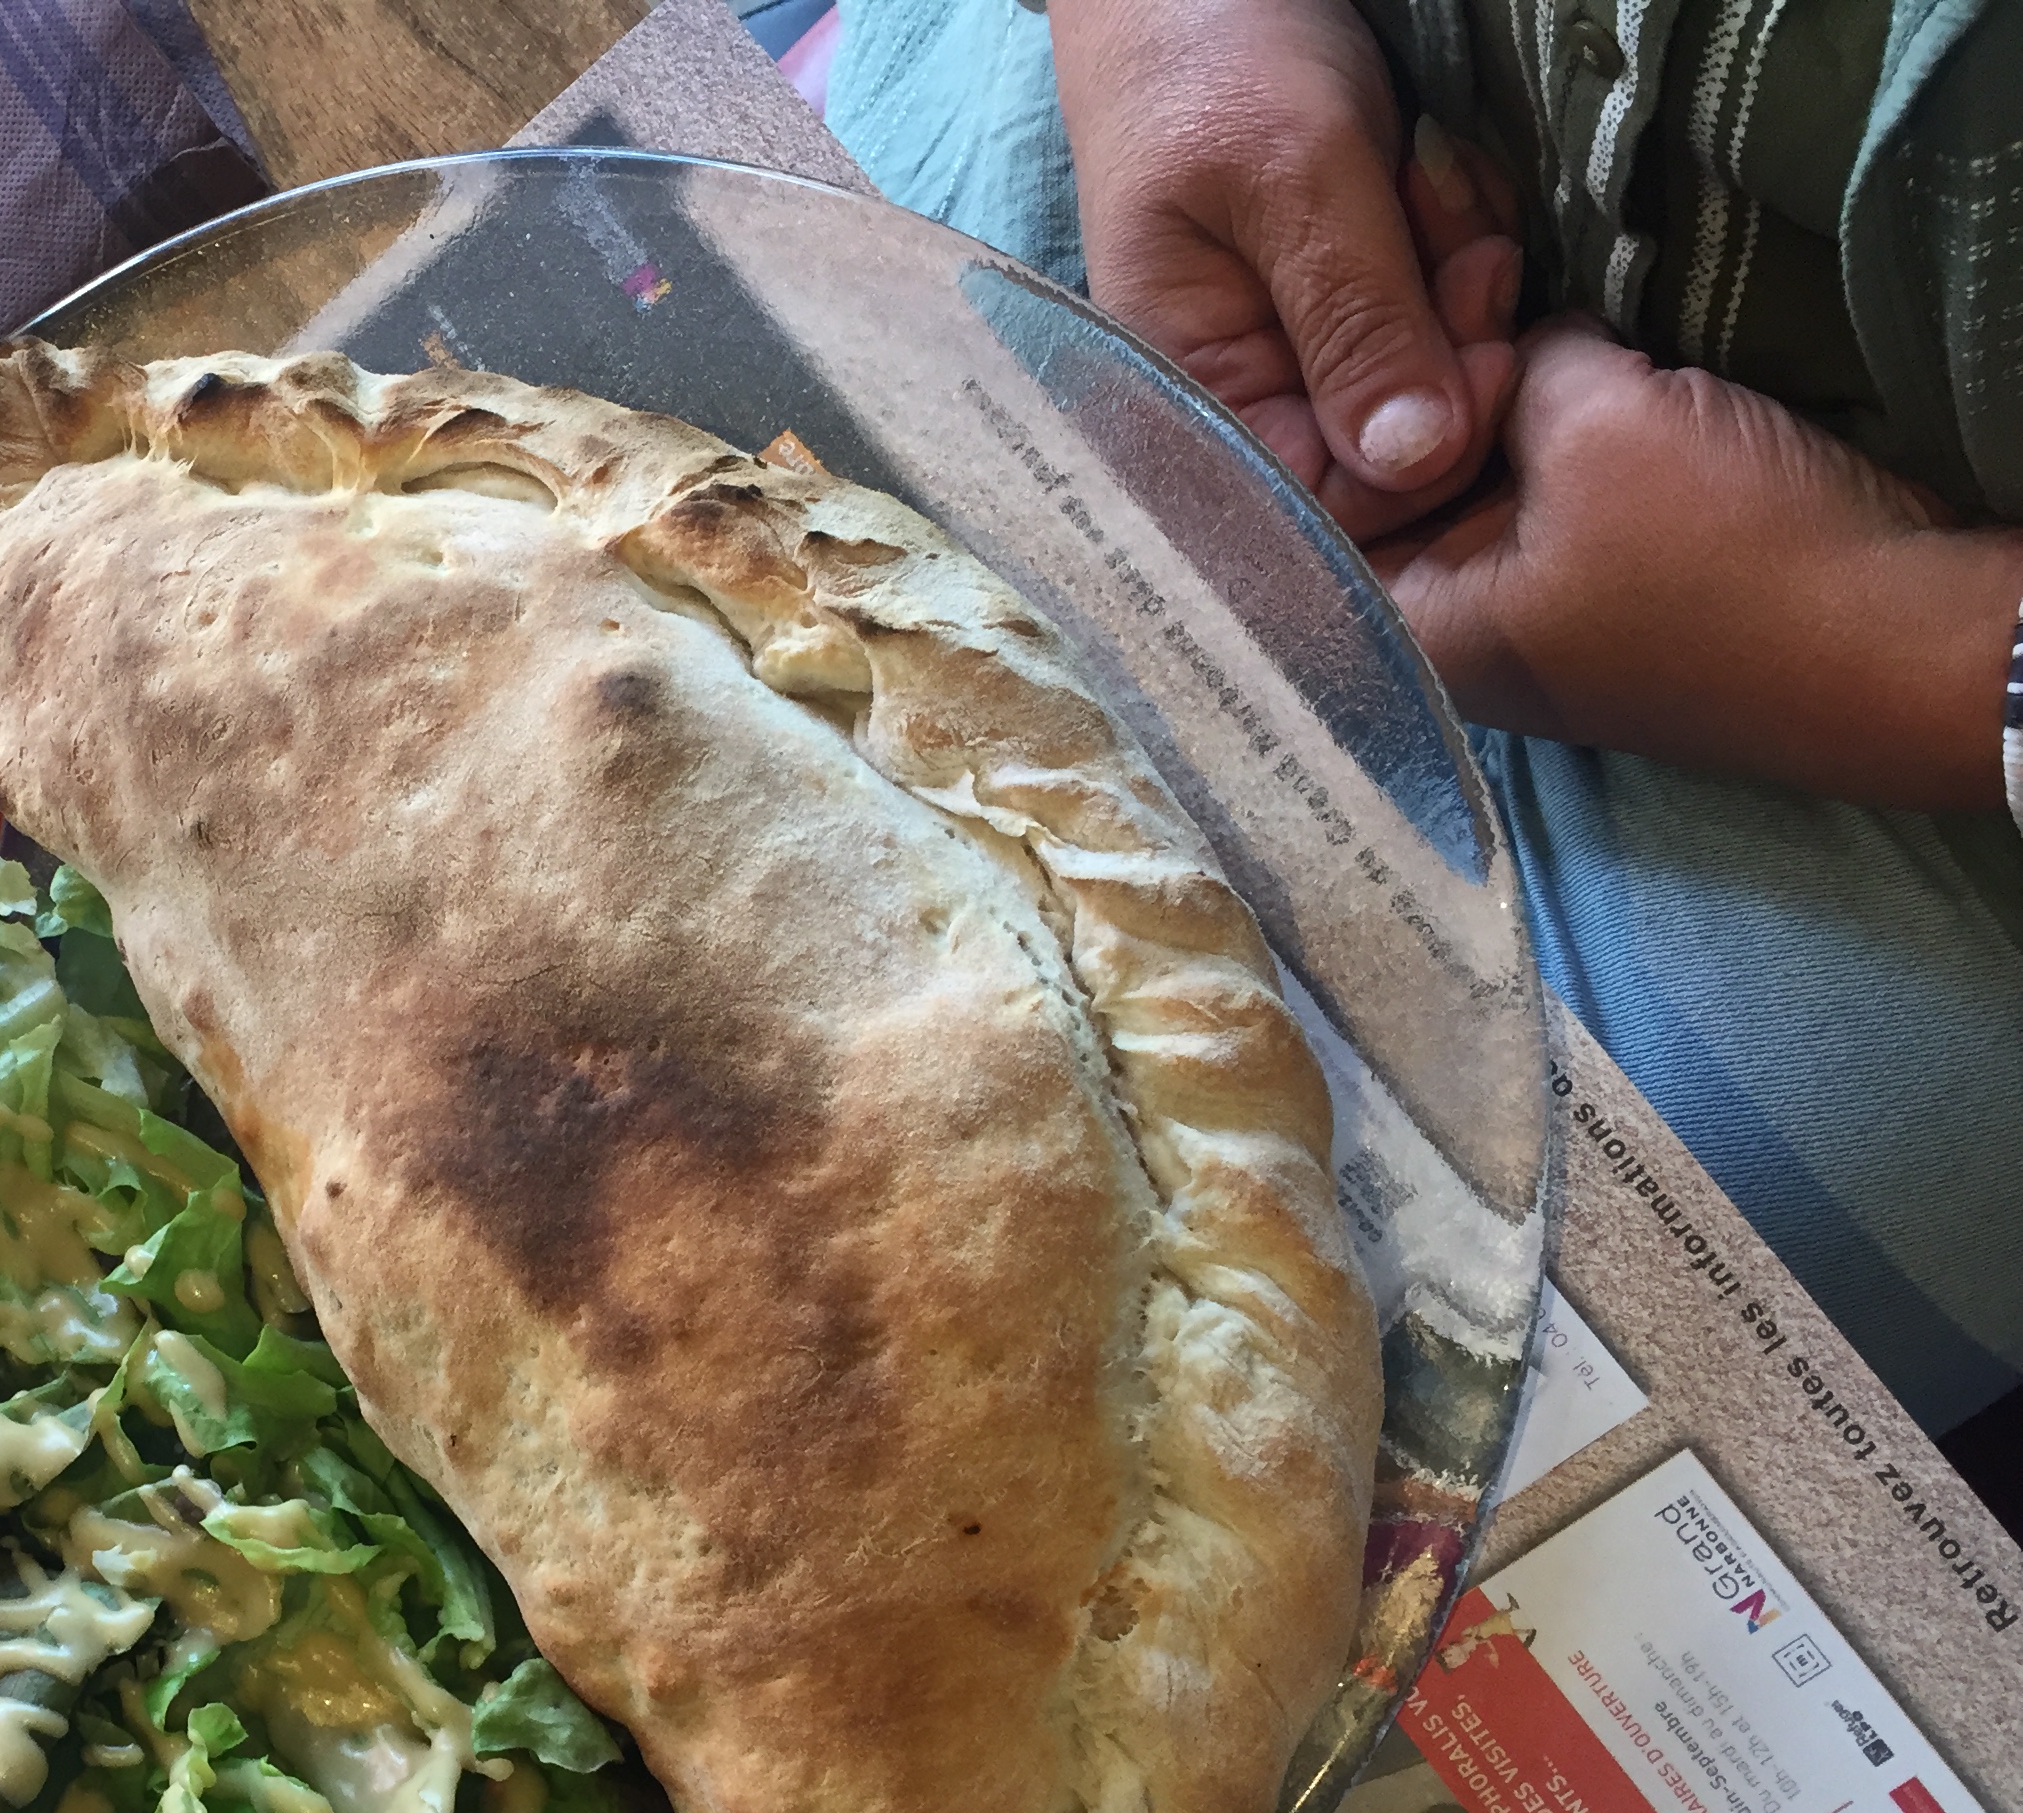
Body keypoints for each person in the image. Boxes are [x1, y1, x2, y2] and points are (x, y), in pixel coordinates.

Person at [825, 0, 2023, 1439]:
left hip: (1914, 706)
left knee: (1603, 1289)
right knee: (828, 325)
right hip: (1281, 118)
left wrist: (1921, 661)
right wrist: (1156, 33)